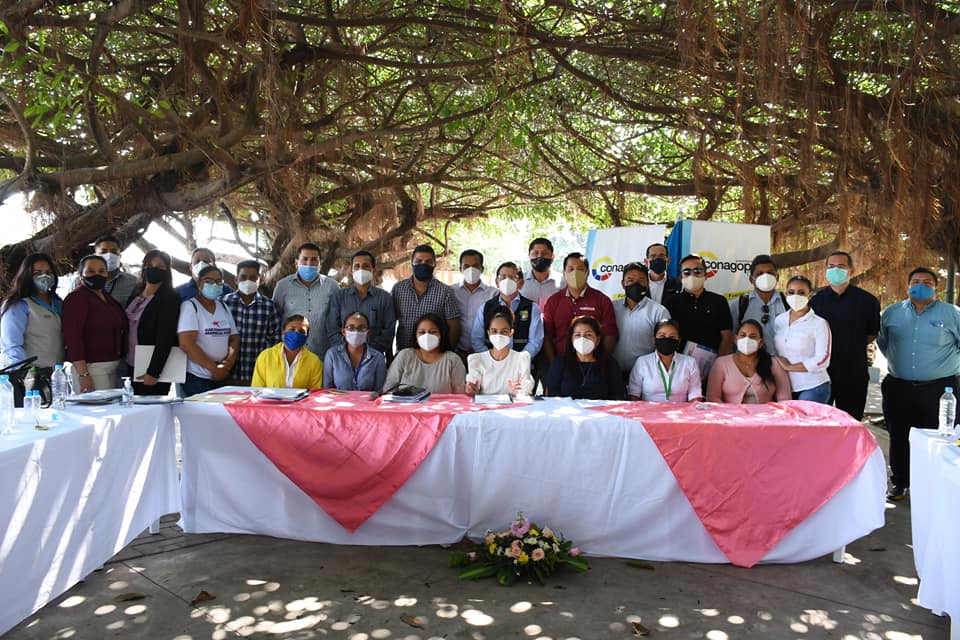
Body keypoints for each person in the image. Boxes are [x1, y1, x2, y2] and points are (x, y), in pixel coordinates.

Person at [878, 267, 960, 500]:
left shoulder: (952, 314)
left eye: (927, 282)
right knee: (899, 436)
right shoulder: (892, 313)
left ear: (936, 287)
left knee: (938, 438)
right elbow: (884, 343)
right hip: (899, 387)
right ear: (908, 285)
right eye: (915, 281)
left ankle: (933, 487)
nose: (920, 285)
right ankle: (900, 483)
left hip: (940, 389)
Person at [809, 251, 881, 420]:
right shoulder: (815, 301)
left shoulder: (868, 301)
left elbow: (871, 335)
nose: (835, 270)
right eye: (831, 266)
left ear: (852, 271)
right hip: (821, 375)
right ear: (825, 270)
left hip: (853, 374)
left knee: (850, 423)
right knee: (817, 423)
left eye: (841, 266)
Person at [663, 254, 733, 382]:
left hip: (711, 370)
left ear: (706, 275)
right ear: (681, 277)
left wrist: (718, 367)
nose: (692, 275)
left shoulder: (719, 301)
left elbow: (727, 337)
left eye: (697, 271)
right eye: (687, 272)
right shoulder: (671, 302)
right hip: (678, 371)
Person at [62, 255, 128, 392]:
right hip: (91, 368)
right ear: (81, 275)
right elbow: (73, 338)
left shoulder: (107, 297)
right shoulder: (77, 298)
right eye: (91, 271)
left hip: (112, 366)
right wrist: (83, 374)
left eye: (101, 271)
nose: (97, 275)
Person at [542, 252, 618, 362]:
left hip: (592, 364)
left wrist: (599, 363)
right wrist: (554, 364)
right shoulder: (553, 301)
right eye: (571, 269)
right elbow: (547, 336)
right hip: (561, 362)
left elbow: (610, 335)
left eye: (580, 269)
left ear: (587, 273)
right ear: (564, 273)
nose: (575, 273)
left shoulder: (602, 301)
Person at [125, 250, 181, 396]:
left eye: (160, 267)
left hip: (151, 369)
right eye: (149, 266)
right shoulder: (136, 293)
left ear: (167, 271)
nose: (154, 270)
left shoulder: (170, 298)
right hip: (130, 364)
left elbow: (166, 337)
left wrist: (154, 372)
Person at [177, 265, 240, 396]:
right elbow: (186, 344)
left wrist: (227, 364)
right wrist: (214, 369)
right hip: (197, 377)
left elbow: (234, 338)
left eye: (218, 281)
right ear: (199, 284)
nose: (214, 285)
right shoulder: (190, 306)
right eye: (208, 281)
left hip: (221, 374)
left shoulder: (223, 307)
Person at [272, 242, 339, 358]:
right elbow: (274, 320)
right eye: (305, 259)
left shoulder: (332, 287)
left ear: (320, 263)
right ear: (296, 262)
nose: (309, 264)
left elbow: (337, 320)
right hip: (290, 355)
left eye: (314, 260)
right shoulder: (283, 286)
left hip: (322, 355)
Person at [325, 250, 396, 358]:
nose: (361, 270)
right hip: (342, 358)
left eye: (366, 266)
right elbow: (332, 329)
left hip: (373, 359)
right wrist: (348, 351)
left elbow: (388, 332)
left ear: (374, 270)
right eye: (357, 266)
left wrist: (368, 353)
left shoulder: (385, 298)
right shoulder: (339, 297)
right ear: (351, 270)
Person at [773, 275, 832, 403]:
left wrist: (789, 367)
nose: (795, 296)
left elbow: (823, 359)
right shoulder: (779, 320)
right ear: (785, 294)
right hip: (784, 386)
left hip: (813, 386)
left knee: (804, 417)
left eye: (801, 293)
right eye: (791, 292)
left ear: (810, 296)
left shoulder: (819, 323)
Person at [0, 252, 65, 370]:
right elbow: (11, 345)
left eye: (48, 272)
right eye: (37, 273)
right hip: (31, 372)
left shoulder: (58, 303)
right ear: (26, 275)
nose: (44, 277)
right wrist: (22, 372)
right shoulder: (18, 305)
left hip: (57, 371)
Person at [392, 245, 462, 352]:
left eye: (428, 262)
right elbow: (390, 323)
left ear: (434, 264)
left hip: (434, 354)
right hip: (404, 352)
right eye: (419, 261)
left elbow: (454, 327)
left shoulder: (445, 292)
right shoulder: (398, 289)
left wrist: (445, 352)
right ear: (412, 263)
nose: (423, 265)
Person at [222, 260, 280, 384]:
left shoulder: (269, 306)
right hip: (228, 373)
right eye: (243, 277)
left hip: (259, 373)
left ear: (261, 280)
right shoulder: (224, 303)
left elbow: (275, 341)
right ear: (236, 279)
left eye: (253, 278)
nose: (248, 281)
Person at [470, 261, 544, 359]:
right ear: (497, 282)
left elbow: (535, 342)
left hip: (521, 364)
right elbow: (477, 340)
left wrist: (518, 360)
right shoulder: (485, 308)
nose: (507, 281)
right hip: (490, 364)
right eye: (503, 277)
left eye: (512, 278)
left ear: (521, 283)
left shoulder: (532, 308)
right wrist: (491, 360)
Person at [706, 320, 792, 403]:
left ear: (761, 342)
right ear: (736, 339)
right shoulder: (721, 363)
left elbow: (784, 399)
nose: (747, 339)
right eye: (743, 335)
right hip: (730, 413)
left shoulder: (774, 364)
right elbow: (713, 398)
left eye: (753, 336)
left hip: (765, 413)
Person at [383, 313, 466, 394]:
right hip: (404, 404)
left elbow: (461, 395)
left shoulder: (453, 360)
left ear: (441, 335)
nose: (427, 336)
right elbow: (388, 390)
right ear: (416, 336)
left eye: (433, 332)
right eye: (422, 332)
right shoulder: (404, 356)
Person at [545, 316, 624, 400]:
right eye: (577, 335)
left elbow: (617, 396)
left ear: (598, 340)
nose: (582, 339)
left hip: (601, 408)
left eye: (588, 335)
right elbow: (552, 394)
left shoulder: (609, 363)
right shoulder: (560, 362)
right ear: (571, 339)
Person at [612, 263, 671, 374]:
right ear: (623, 284)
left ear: (647, 284)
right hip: (613, 373)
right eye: (630, 281)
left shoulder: (659, 311)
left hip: (645, 374)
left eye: (641, 281)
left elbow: (664, 347)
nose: (636, 285)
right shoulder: (612, 308)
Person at [627, 319, 702, 402]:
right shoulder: (642, 362)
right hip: (649, 410)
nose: (667, 340)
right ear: (654, 340)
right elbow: (633, 396)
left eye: (672, 337)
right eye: (662, 336)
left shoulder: (690, 363)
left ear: (678, 341)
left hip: (680, 410)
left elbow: (695, 397)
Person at [465, 310, 535, 396]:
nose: (499, 335)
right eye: (494, 331)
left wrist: (519, 391)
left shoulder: (521, 359)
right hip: (485, 404)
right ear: (488, 333)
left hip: (513, 404)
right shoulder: (477, 360)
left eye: (504, 331)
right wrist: (472, 390)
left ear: (511, 333)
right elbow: (473, 391)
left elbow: (525, 390)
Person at [729, 254, 788, 355]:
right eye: (760, 274)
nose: (765, 277)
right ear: (751, 279)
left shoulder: (788, 303)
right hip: (749, 362)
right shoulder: (740, 304)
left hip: (781, 361)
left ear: (777, 277)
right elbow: (731, 338)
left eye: (770, 273)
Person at [252, 315, 324, 389]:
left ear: (306, 336)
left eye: (301, 331)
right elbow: (256, 390)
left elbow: (315, 393)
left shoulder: (314, 362)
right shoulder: (266, 357)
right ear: (283, 332)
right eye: (292, 329)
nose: (296, 334)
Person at [323, 311, 387, 391]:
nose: (356, 332)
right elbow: (327, 390)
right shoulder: (332, 355)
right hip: (337, 399)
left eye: (361, 328)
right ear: (343, 332)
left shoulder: (377, 358)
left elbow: (379, 392)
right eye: (351, 328)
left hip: (369, 399)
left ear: (368, 333)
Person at [453, 249, 496, 357]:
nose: (471, 270)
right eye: (466, 266)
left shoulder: (493, 294)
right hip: (457, 352)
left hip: (485, 353)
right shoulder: (451, 292)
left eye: (475, 266)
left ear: (482, 269)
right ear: (460, 269)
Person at [93, 234, 139, 306]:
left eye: (114, 252)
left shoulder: (132, 282)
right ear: (95, 256)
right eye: (103, 252)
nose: (109, 256)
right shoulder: (80, 281)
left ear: (119, 256)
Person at [520, 237, 559, 308]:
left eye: (545, 253)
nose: (540, 256)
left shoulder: (562, 282)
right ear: (529, 255)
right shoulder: (519, 281)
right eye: (535, 253)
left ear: (552, 256)